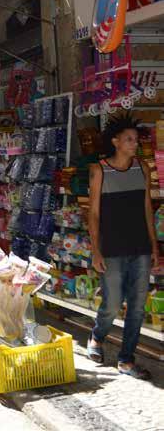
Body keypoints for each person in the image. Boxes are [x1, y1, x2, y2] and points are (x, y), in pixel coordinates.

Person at [87, 114, 159, 380]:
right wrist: (96, 250)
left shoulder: (143, 168)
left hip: (140, 247)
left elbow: (147, 210)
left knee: (137, 307)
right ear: (116, 142)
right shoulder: (99, 170)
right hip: (112, 249)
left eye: (136, 139)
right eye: (129, 139)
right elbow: (93, 214)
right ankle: (97, 336)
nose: (135, 143)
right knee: (113, 303)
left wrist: (154, 246)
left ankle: (126, 359)